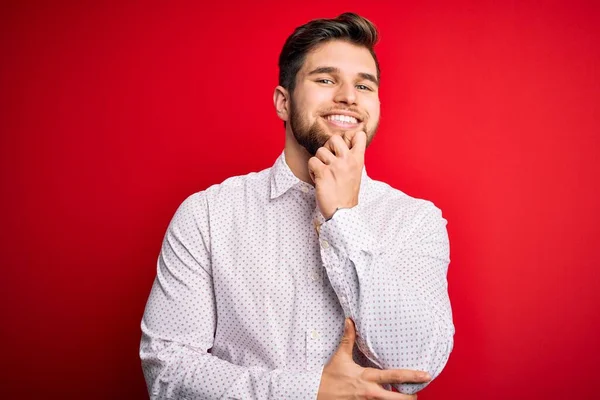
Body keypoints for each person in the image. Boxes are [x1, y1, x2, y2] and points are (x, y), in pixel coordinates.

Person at [140, 12, 454, 400]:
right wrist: (308, 391)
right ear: (282, 102)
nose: (348, 97)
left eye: (364, 85)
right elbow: (166, 370)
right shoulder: (207, 215)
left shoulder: (415, 221)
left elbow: (414, 368)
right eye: (325, 79)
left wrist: (343, 217)